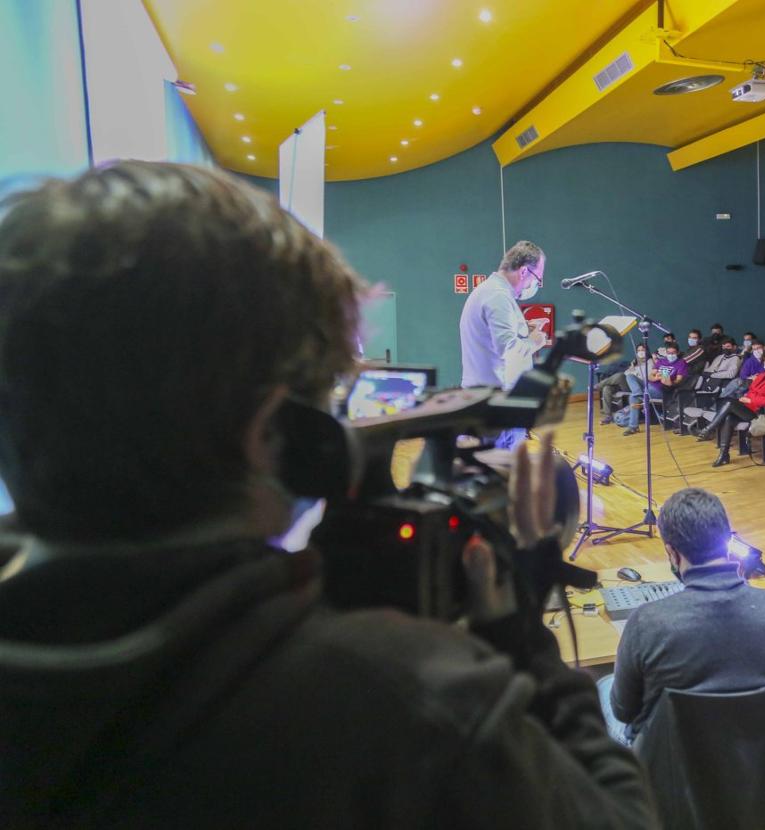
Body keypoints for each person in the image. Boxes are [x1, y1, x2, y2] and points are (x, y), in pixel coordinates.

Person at [0, 162, 655, 827]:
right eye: (328, 398)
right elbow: (625, 816)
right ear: (276, 435)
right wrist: (522, 636)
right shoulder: (413, 703)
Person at [598, 488, 765, 743]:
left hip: (672, 768)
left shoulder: (646, 624)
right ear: (728, 542)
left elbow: (624, 711)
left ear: (672, 553)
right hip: (760, 758)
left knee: (602, 687)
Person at [460, 240, 548, 448]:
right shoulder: (498, 296)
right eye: (538, 279)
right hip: (498, 406)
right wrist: (535, 341)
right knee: (504, 475)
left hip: (484, 400)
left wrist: (523, 327)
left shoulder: (488, 291)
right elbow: (508, 350)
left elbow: (493, 337)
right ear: (524, 272)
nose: (535, 286)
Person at [697, 351, 765, 466]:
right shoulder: (761, 375)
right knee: (728, 417)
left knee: (729, 402)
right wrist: (747, 398)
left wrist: (751, 399)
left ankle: (708, 429)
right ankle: (724, 455)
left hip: (762, 412)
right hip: (749, 408)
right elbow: (751, 391)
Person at [619, 343, 655, 436]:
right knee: (632, 397)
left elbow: (648, 376)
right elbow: (627, 373)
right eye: (638, 350)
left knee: (633, 393)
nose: (640, 352)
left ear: (647, 351)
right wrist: (632, 369)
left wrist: (635, 372)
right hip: (638, 387)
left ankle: (638, 394)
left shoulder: (650, 361)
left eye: (642, 350)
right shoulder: (635, 362)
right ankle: (633, 427)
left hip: (648, 385)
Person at [652, 341, 689, 428]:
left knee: (637, 395)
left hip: (662, 389)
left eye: (673, 353)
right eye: (669, 353)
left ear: (678, 353)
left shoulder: (681, 363)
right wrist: (656, 378)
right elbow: (650, 376)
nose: (671, 355)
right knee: (630, 378)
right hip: (652, 384)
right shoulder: (661, 361)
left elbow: (678, 380)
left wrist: (670, 382)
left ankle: (640, 395)